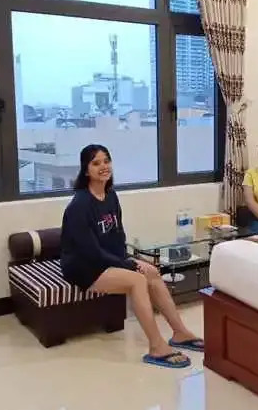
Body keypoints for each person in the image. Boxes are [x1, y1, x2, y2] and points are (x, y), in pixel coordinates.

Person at [60, 144, 204, 369]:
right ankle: (156, 346)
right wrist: (128, 265)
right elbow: (91, 251)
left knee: (152, 272)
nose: (103, 167)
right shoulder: (80, 205)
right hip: (83, 266)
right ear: (86, 170)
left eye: (106, 161)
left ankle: (180, 332)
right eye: (96, 163)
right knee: (137, 280)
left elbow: (118, 236)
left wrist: (131, 260)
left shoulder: (111, 195)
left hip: (106, 258)